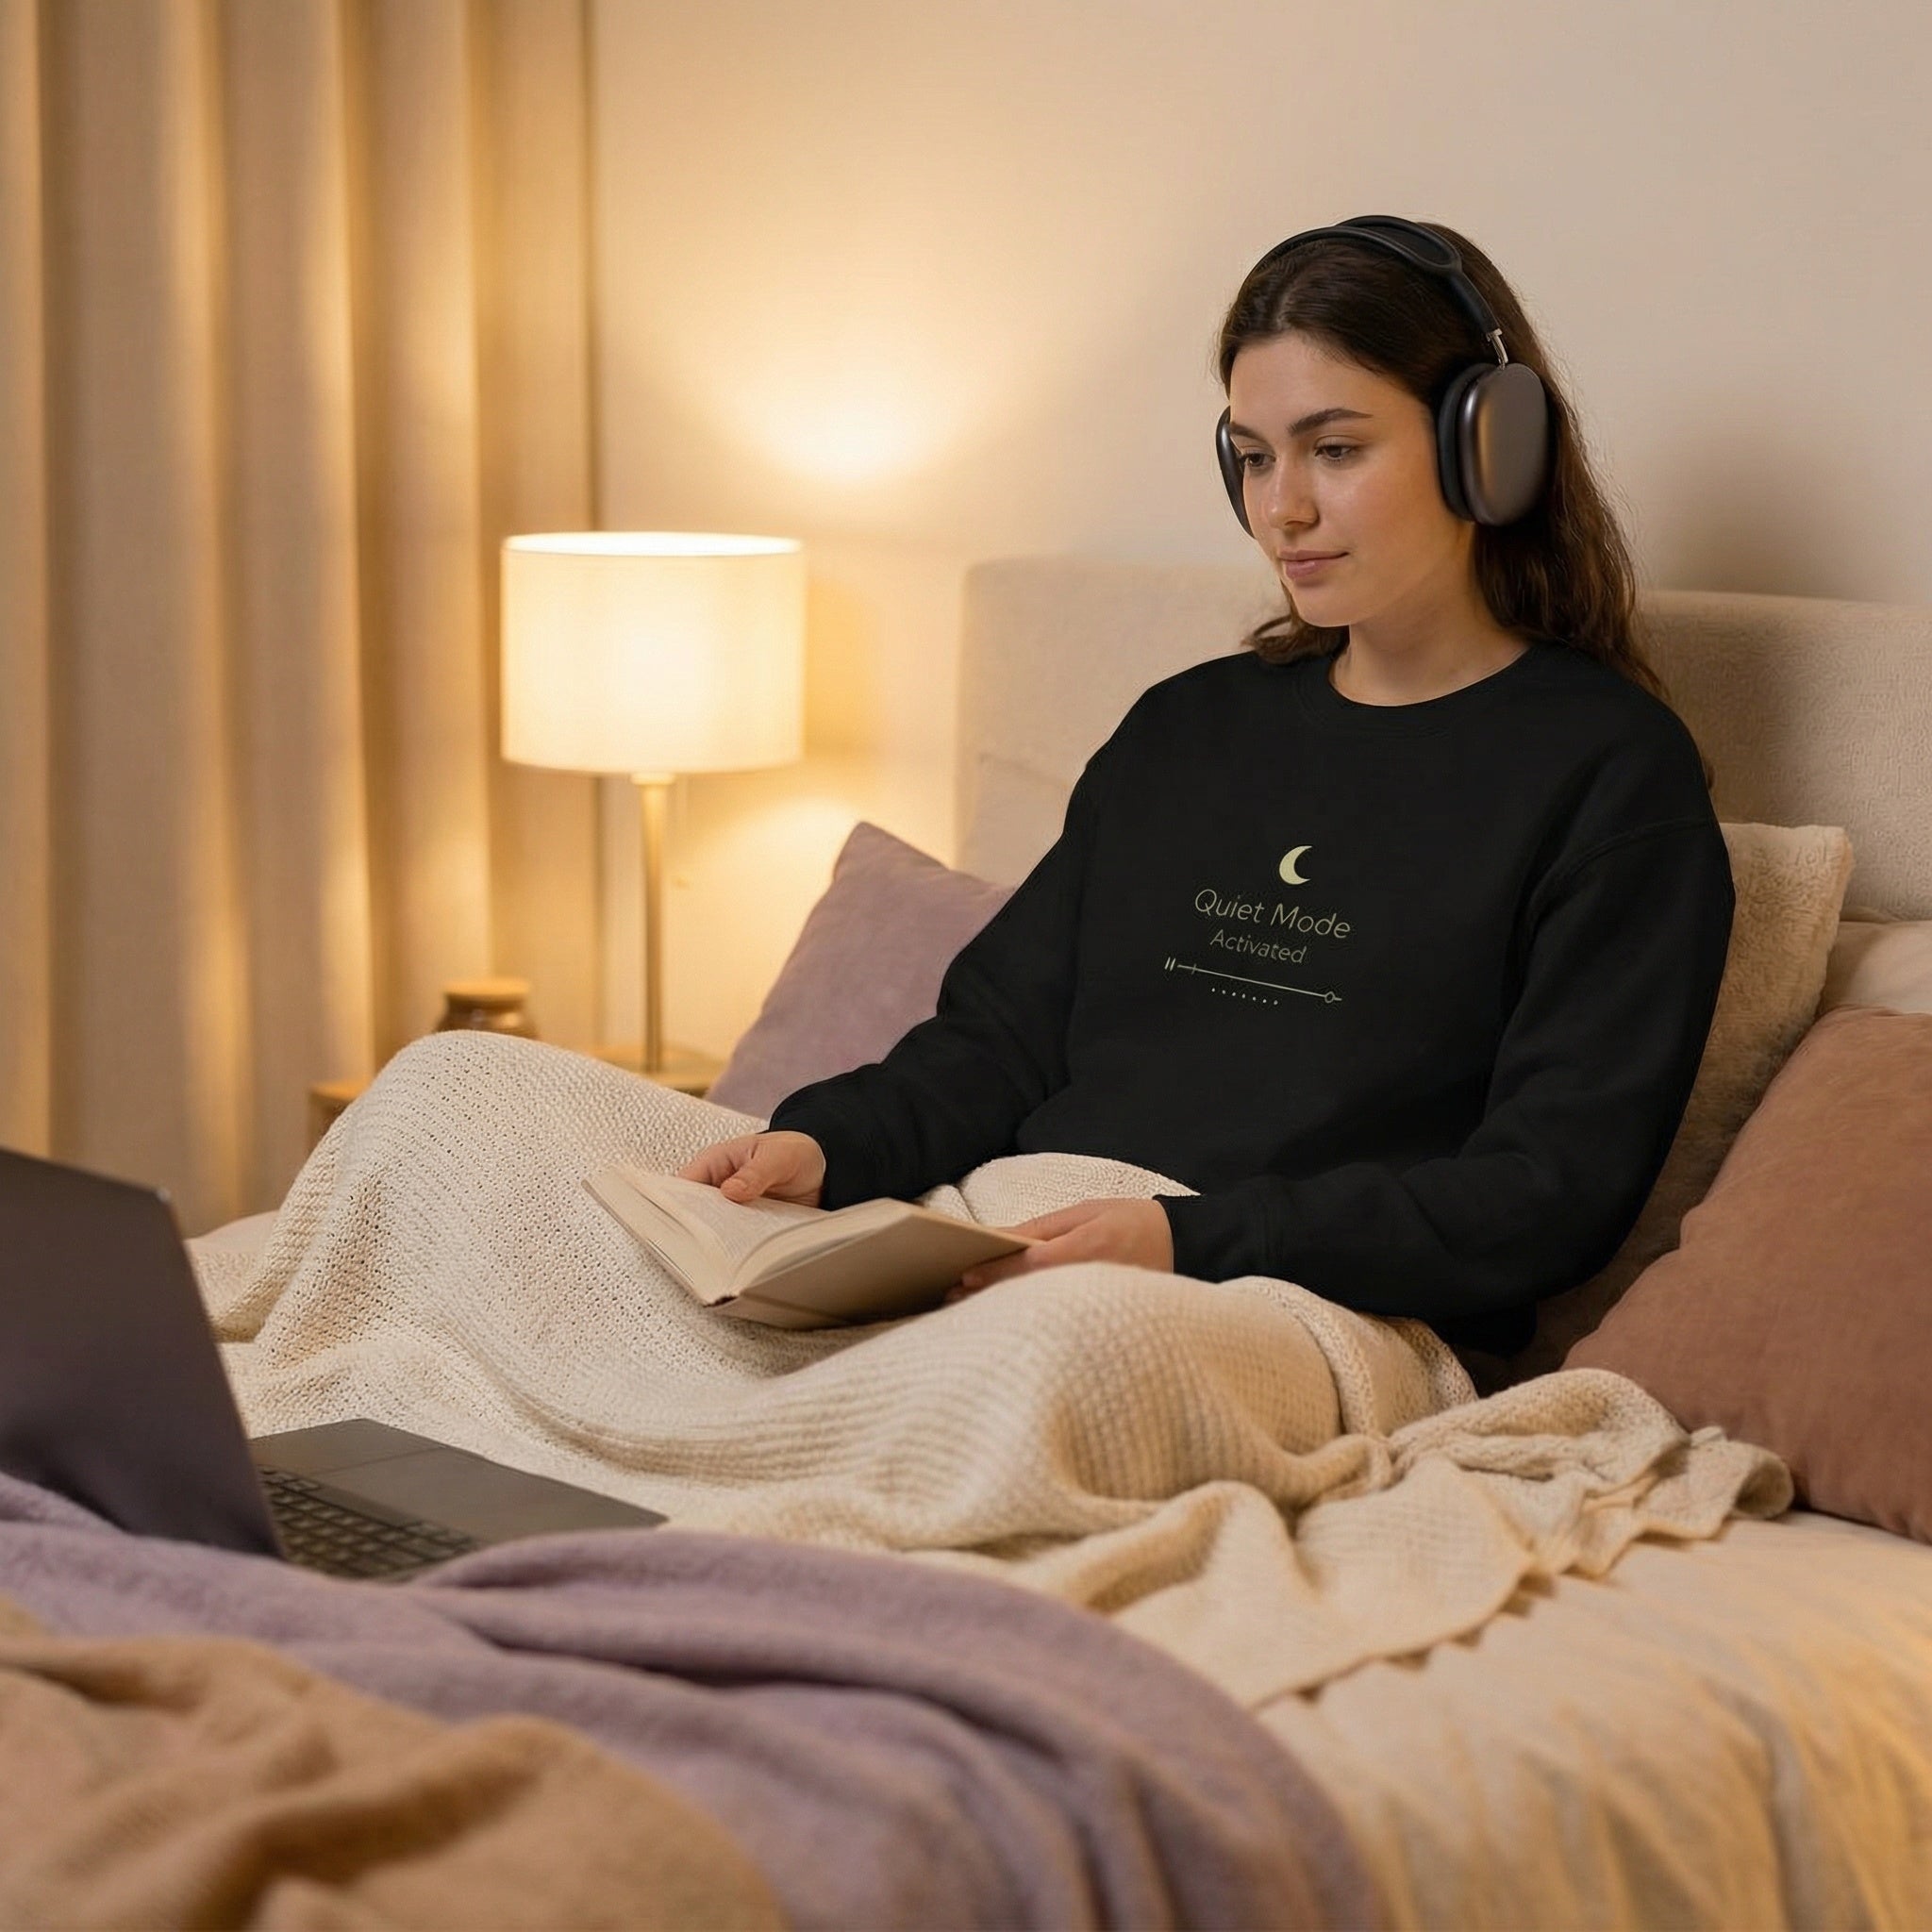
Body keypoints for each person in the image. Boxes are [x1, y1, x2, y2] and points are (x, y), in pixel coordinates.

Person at [678, 216, 1734, 1360]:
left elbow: (1543, 1193)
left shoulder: (1609, 775)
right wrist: (825, 1147)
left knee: (1013, 1369)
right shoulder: (1187, 724)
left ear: (1488, 444)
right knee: (471, 1095)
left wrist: (1178, 1241)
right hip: (1021, 1230)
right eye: (1252, 453)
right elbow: (999, 1040)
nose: (1280, 508)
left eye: (1333, 450)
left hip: (1308, 1310)